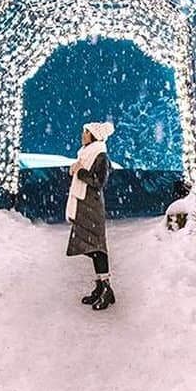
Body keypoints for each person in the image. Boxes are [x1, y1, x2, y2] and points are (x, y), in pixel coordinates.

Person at [66, 121, 115, 311]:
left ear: (93, 135)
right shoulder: (86, 154)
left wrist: (80, 172)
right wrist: (77, 169)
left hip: (92, 206)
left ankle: (106, 289)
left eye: (85, 132)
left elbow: (99, 181)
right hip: (84, 204)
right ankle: (100, 286)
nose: (82, 135)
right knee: (89, 245)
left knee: (97, 247)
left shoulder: (100, 155)